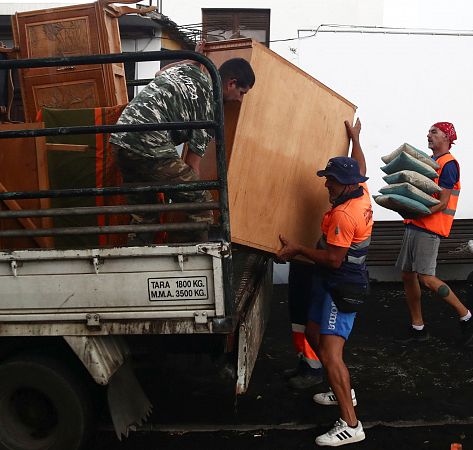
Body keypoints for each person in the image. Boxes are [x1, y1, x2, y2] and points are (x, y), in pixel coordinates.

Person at [277, 119, 373, 447]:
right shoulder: (360, 191)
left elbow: (333, 259)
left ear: (345, 185)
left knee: (332, 356)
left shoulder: (346, 215)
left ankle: (351, 423)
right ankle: (340, 389)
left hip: (341, 287)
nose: (325, 186)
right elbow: (361, 165)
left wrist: (297, 250)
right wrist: (355, 138)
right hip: (331, 282)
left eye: (330, 181)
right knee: (315, 335)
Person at [109, 48, 255, 245]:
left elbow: (159, 74)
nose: (240, 100)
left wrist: (193, 59)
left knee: (146, 212)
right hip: (149, 143)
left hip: (120, 140)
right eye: (242, 93)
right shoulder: (211, 107)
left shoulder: (189, 70)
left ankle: (135, 261)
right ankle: (187, 260)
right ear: (231, 83)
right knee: (201, 202)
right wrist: (193, 190)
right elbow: (192, 163)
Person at [397, 122, 473, 345]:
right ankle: (418, 328)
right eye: (428, 132)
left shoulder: (449, 165)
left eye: (434, 132)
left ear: (447, 137)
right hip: (415, 225)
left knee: (426, 277)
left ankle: (468, 316)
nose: (428, 135)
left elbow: (443, 203)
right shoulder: (430, 163)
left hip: (429, 228)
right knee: (408, 274)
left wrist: (416, 213)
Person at [283, 261, 324, 390]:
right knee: (298, 317)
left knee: (309, 317)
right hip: (301, 262)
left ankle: (314, 370)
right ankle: (304, 361)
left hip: (315, 266)